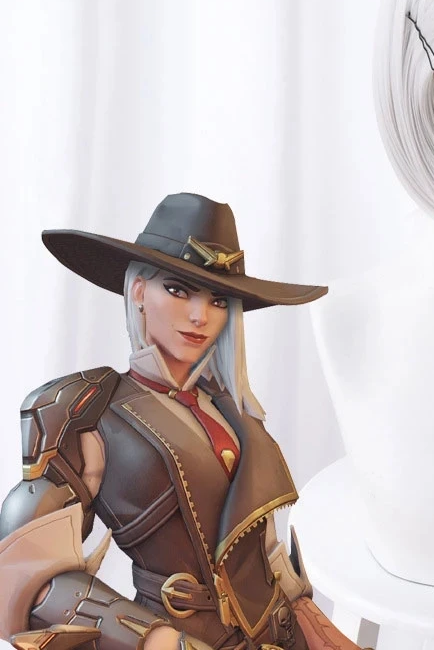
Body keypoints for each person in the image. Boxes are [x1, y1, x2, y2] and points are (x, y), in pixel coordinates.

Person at [0, 193, 363, 650]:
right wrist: (160, 640)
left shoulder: (234, 413)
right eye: (178, 290)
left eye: (217, 300)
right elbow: (24, 576)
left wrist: (318, 630)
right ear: (138, 291)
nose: (199, 316)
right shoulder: (88, 410)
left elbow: (267, 557)